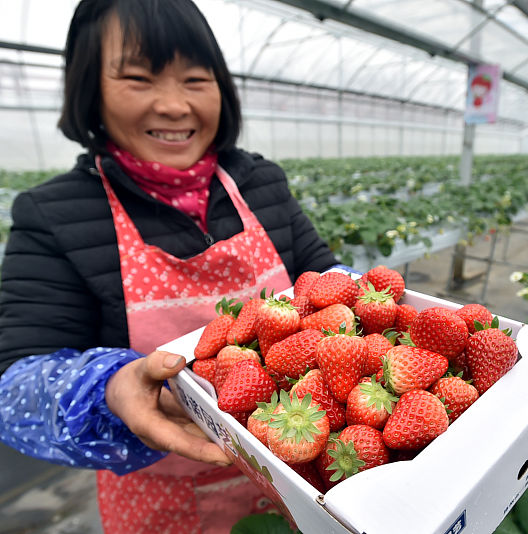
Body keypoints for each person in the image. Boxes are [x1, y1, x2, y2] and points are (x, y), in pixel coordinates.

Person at [0, 1, 339, 532]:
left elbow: (324, 278)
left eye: (196, 79)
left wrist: (364, 302)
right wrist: (109, 388)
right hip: (162, 499)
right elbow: (13, 384)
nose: (175, 105)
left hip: (303, 473)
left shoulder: (260, 183)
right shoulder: (55, 214)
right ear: (91, 88)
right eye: (139, 78)